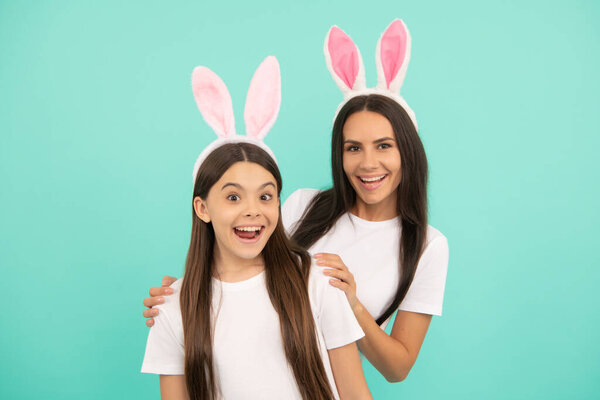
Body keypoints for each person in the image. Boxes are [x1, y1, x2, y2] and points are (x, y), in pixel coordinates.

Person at [144, 20, 449, 384]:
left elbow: (397, 368)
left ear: (408, 150)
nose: (368, 163)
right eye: (353, 148)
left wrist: (350, 303)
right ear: (339, 153)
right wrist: (185, 296)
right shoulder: (303, 205)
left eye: (384, 145)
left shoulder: (428, 246)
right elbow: (241, 264)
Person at [141, 56, 371, 399]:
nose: (253, 211)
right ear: (202, 208)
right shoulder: (173, 309)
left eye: (265, 196)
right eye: (233, 198)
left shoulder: (317, 282)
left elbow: (356, 394)